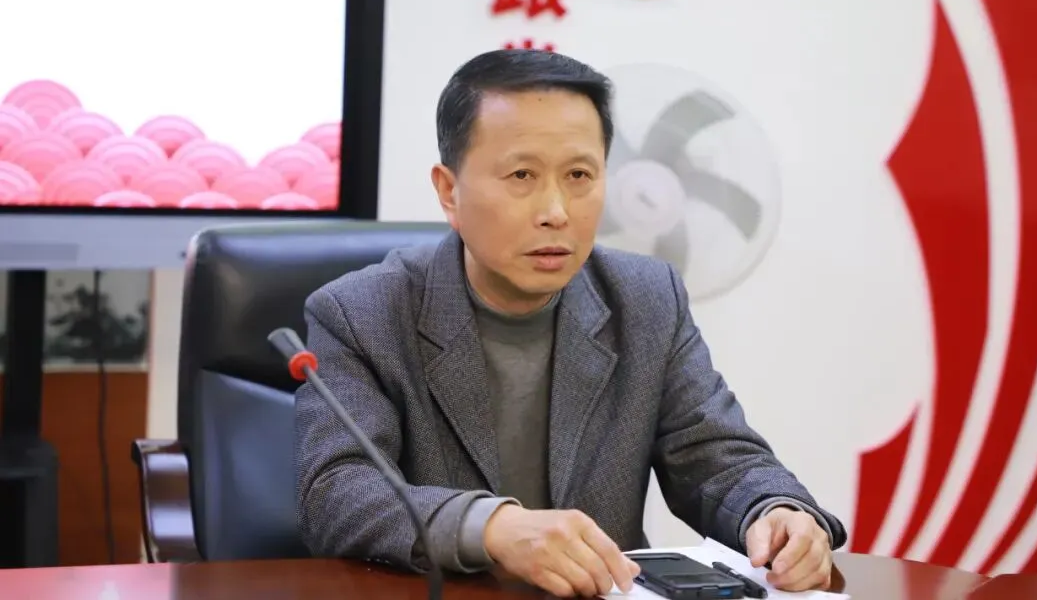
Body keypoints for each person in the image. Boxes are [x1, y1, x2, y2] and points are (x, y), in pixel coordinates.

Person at [295, 49, 847, 598]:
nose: (556, 211)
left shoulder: (646, 300)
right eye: (522, 175)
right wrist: (493, 528)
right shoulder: (361, 313)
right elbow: (336, 493)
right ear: (449, 191)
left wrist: (775, 510)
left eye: (579, 175)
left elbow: (716, 458)